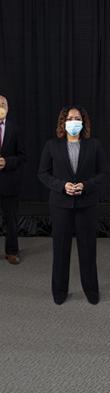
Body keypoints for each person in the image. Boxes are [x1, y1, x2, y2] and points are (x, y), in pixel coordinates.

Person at [37, 106, 107, 304]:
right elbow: (42, 173)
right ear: (63, 122)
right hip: (60, 205)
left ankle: (91, 291)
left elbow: (103, 173)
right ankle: (59, 292)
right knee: (60, 250)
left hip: (87, 205)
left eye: (78, 118)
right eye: (70, 118)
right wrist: (61, 186)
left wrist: (85, 185)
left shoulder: (94, 145)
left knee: (88, 250)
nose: (74, 121)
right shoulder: (52, 145)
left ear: (83, 122)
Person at [0, 94, 26, 265]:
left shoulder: (15, 129)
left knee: (11, 219)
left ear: (7, 108)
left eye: (2, 104)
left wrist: (7, 162)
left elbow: (23, 156)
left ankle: (11, 251)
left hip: (9, 183)